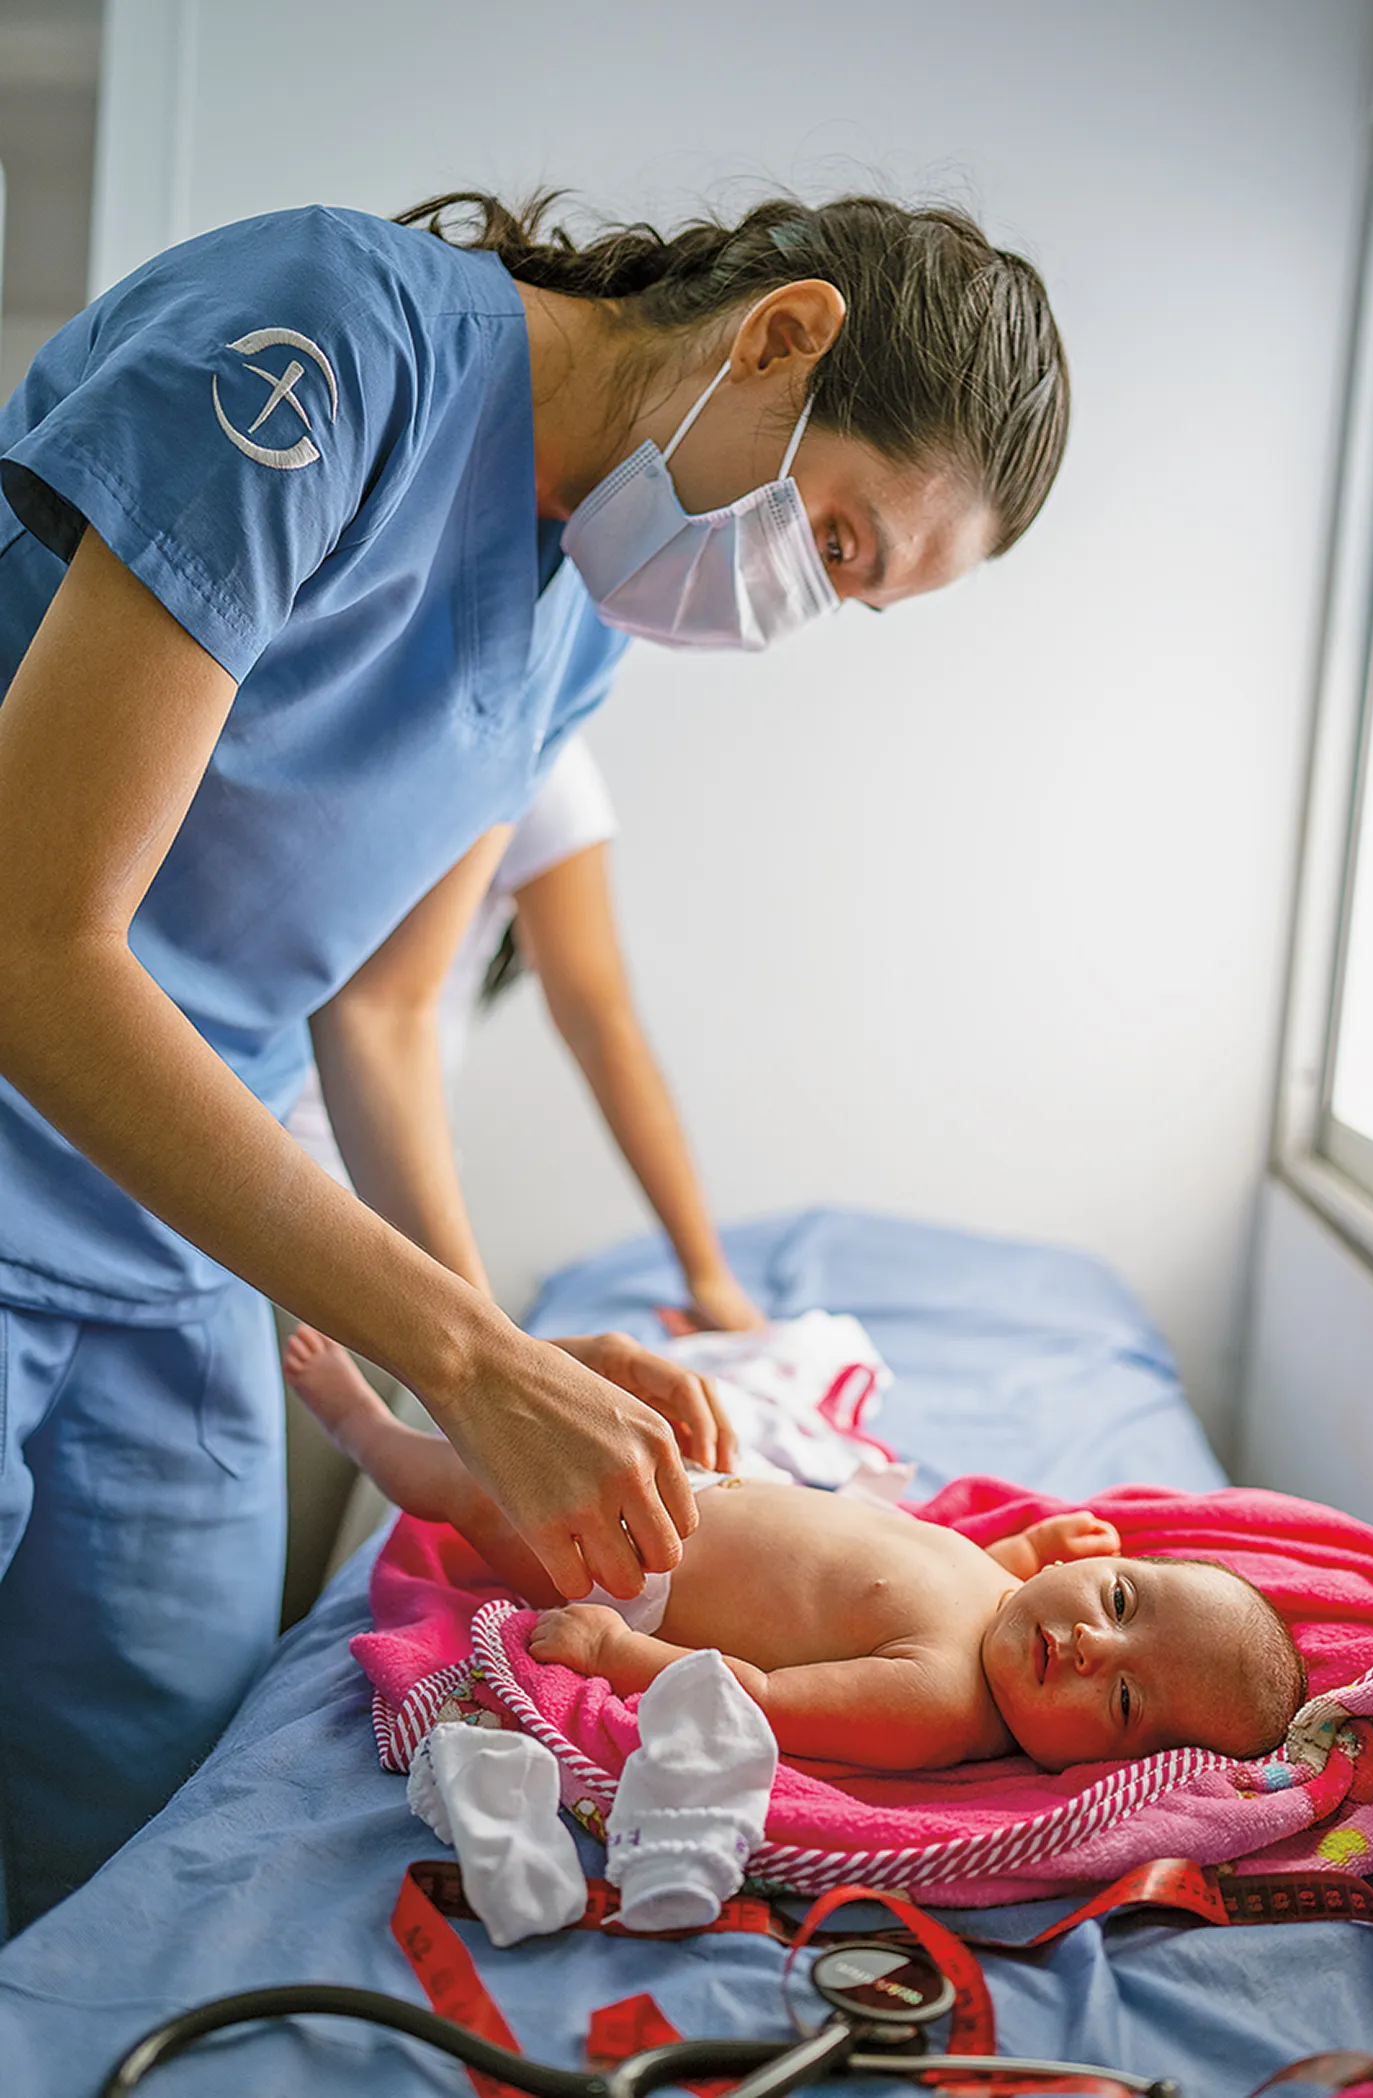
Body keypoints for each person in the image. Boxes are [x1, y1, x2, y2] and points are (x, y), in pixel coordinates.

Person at [0, 184, 1068, 1924]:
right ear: (781, 336)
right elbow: (34, 940)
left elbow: (391, 1010)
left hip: (178, 1226)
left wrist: (502, 1370)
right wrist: (473, 1363)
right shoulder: (333, 342)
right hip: (49, 1085)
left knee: (129, 1850)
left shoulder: (579, 624)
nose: (808, 602)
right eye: (845, 540)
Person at [284, 1326, 1306, 1772]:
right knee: (550, 1407)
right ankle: (436, 1349)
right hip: (695, 1495)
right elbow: (919, 1558)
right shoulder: (1007, 1595)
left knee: (470, 1486)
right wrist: (1020, 1539)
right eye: (1121, 1600)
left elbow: (755, 1695)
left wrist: (609, 1652)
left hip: (629, 1567)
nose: (1088, 1643)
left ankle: (366, 1431)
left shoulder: (940, 1702)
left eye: (1122, 1700)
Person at [285, 733, 763, 1331]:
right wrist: (707, 1276)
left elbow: (596, 1022)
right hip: (319, 1186)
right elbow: (598, 1021)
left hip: (284, 1164)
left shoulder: (518, 747)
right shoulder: (522, 745)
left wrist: (708, 1275)